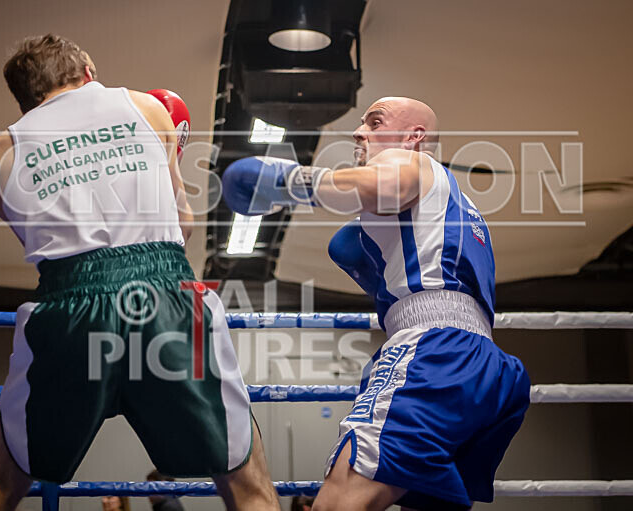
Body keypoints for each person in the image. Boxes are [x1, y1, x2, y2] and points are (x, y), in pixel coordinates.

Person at [0, 34, 279, 511]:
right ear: (87, 70)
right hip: (165, 297)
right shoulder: (148, 108)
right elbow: (184, 225)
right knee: (244, 479)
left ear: (25, 95)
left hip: (68, 304)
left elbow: (42, 243)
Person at [222, 97, 530, 510]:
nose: (358, 131)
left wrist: (289, 181)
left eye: (375, 121)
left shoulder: (411, 163)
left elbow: (385, 187)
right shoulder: (456, 204)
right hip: (483, 367)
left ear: (412, 137)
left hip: (433, 353)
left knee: (338, 501)